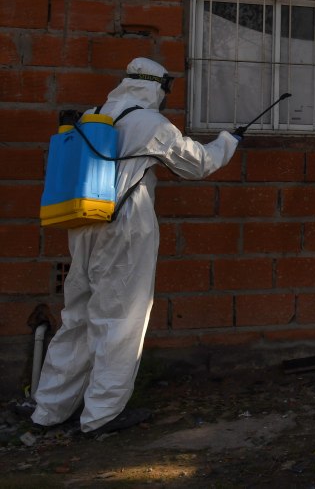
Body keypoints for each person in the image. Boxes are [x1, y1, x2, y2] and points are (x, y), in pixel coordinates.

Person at [31, 58, 241, 434]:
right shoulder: (150, 123)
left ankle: (48, 410)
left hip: (84, 223)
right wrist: (229, 141)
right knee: (121, 319)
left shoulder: (93, 115)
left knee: (77, 317)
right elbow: (196, 164)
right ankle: (102, 415)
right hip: (125, 226)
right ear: (157, 87)